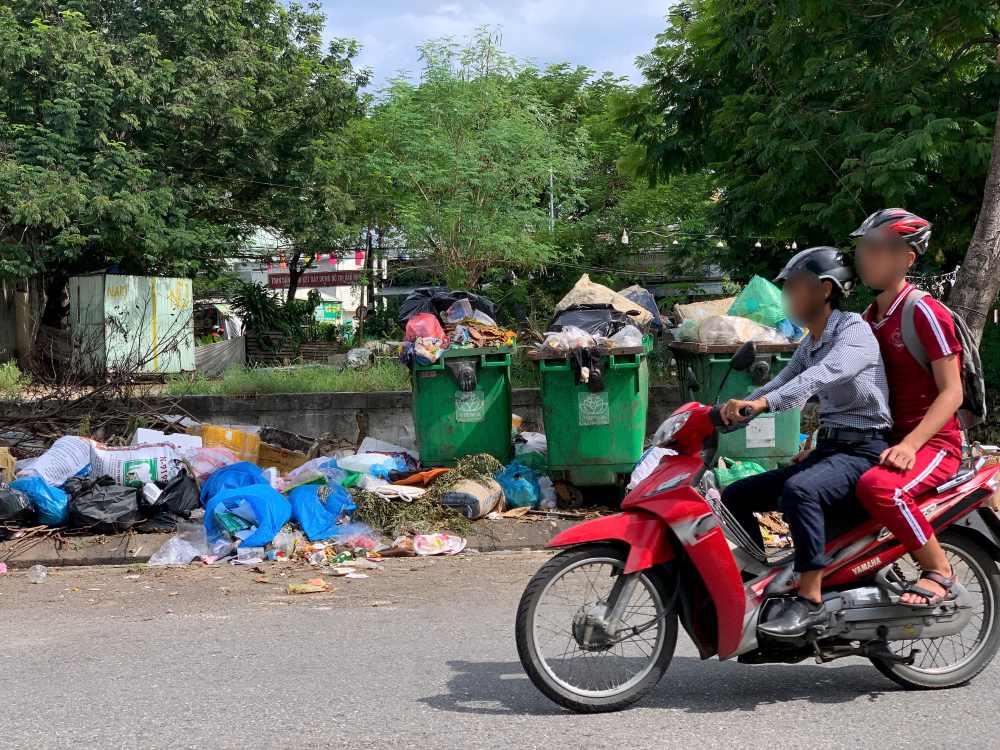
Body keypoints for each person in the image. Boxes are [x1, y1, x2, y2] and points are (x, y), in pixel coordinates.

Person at [720, 246, 892, 638]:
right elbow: (782, 379)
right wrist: (742, 405)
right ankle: (778, 572)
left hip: (865, 449)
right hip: (833, 448)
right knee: (737, 496)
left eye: (795, 288)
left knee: (800, 490)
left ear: (825, 289)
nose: (789, 297)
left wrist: (763, 403)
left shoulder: (853, 331)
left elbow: (821, 376)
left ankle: (810, 598)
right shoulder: (811, 340)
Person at [852, 209, 963, 607]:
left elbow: (952, 392)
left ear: (907, 259)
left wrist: (912, 445)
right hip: (884, 437)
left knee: (879, 489)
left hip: (935, 443)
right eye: (864, 248)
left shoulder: (923, 312)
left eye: (878, 249)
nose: (866, 257)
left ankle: (939, 570)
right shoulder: (866, 319)